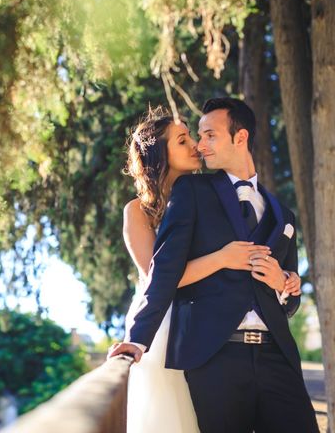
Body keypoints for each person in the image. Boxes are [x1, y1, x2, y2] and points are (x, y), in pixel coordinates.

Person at [109, 98, 318, 433]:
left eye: (207, 135)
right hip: (210, 351)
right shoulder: (190, 191)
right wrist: (137, 339)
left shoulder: (282, 214)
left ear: (240, 137)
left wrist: (285, 283)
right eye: (191, 138)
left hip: (277, 354)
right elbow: (161, 273)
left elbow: (289, 302)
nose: (198, 145)